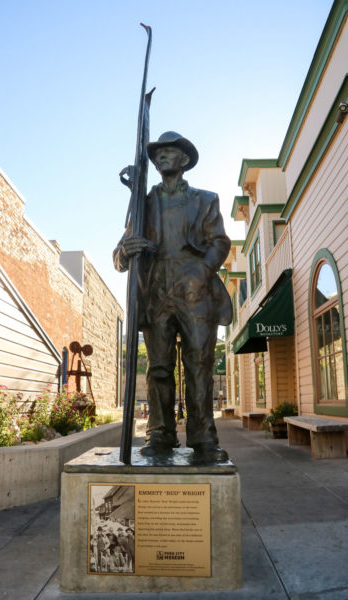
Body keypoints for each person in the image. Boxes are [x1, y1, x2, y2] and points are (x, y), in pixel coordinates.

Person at [114, 131, 232, 459]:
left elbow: (220, 242)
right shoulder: (144, 203)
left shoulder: (206, 200)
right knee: (159, 369)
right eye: (158, 153)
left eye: (169, 152)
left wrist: (201, 270)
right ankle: (161, 435)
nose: (162, 157)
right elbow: (118, 256)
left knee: (200, 365)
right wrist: (127, 249)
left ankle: (203, 438)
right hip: (155, 292)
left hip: (196, 292)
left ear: (183, 160)